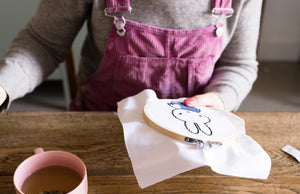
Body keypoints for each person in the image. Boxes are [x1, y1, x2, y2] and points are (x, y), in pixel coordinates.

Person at [0, 0, 262, 112]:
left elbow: (238, 64)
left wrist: (220, 98)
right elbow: (42, 43)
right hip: (101, 122)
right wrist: (3, 86)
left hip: (191, 134)